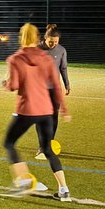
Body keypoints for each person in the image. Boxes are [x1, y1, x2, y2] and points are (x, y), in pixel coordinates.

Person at [1, 22, 72, 200]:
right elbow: (56, 86)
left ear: (21, 38)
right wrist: (64, 109)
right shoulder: (46, 58)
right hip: (46, 110)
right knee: (48, 149)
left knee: (9, 143)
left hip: (27, 109)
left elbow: (14, 86)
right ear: (39, 38)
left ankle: (24, 181)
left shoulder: (15, 59)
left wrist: (6, 83)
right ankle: (64, 190)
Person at [35, 24, 71, 160]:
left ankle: (49, 143)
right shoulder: (37, 49)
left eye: (56, 42)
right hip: (39, 89)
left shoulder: (61, 50)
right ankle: (41, 146)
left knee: (53, 116)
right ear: (45, 38)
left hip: (55, 89)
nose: (53, 44)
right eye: (51, 41)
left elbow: (63, 68)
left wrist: (67, 84)